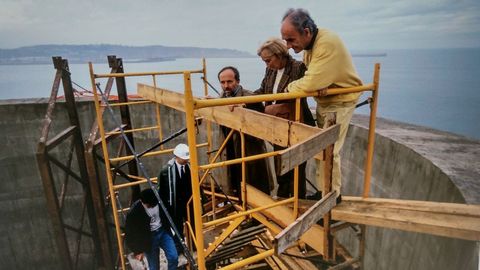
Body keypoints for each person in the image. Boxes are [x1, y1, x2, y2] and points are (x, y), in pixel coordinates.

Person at [281, 8, 363, 202]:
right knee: (322, 149)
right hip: (327, 102)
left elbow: (310, 83)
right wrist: (317, 83)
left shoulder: (326, 44)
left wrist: (289, 88)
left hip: (340, 103)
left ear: (307, 32)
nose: (287, 45)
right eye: (285, 40)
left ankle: (332, 197)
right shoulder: (312, 46)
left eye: (291, 40)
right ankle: (323, 192)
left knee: (330, 150)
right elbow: (314, 80)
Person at [254, 37, 315, 199]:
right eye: (264, 61)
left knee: (296, 170)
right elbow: (262, 91)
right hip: (277, 125)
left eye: (268, 60)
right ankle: (283, 201)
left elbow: (310, 87)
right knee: (280, 166)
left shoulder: (298, 68)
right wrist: (242, 99)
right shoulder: (270, 70)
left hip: (295, 124)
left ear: (279, 54)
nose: (267, 64)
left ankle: (297, 203)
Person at [217, 66, 273, 195]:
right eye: (223, 82)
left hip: (250, 151)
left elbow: (262, 117)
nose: (226, 86)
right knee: (236, 185)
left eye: (230, 82)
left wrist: (244, 106)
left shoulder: (250, 98)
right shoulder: (222, 98)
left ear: (237, 81)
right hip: (231, 148)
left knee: (256, 188)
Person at [125, 188, 178, 270]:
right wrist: (137, 251)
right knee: (154, 267)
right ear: (142, 202)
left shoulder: (159, 201)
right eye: (149, 206)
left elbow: (169, 213)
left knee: (173, 257)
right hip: (149, 238)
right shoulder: (134, 212)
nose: (152, 207)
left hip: (163, 232)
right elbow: (130, 233)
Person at [157, 143, 193, 249]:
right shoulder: (165, 172)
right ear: (177, 157)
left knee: (193, 225)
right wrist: (164, 208)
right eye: (184, 158)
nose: (186, 160)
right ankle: (180, 248)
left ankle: (194, 245)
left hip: (189, 203)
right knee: (177, 227)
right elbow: (161, 191)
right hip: (175, 205)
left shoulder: (190, 168)